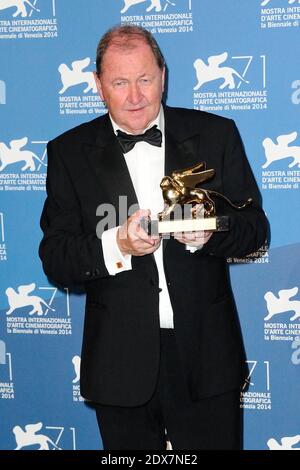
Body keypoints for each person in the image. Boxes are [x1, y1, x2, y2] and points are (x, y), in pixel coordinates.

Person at [39, 25, 268, 450]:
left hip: (206, 355)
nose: (135, 96)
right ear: (97, 85)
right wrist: (117, 246)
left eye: (145, 79)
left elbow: (255, 229)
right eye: (120, 83)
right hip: (118, 362)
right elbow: (56, 257)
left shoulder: (216, 134)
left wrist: (210, 231)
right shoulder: (68, 152)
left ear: (163, 74)